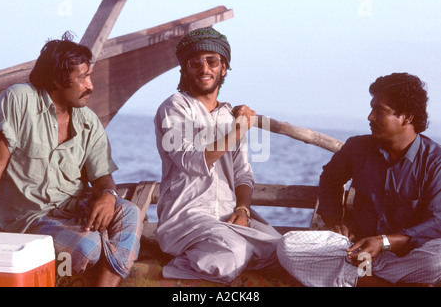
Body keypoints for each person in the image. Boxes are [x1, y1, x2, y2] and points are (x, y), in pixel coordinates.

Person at [0, 32, 143, 287]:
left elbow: (102, 175)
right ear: (57, 79)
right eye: (83, 77)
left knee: (129, 211)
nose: (90, 85)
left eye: (90, 76)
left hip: (72, 212)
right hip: (26, 220)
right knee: (88, 247)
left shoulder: (88, 121)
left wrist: (107, 194)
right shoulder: (18, 99)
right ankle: (110, 254)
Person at [278, 72, 441, 287]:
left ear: (407, 117)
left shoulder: (434, 160)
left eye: (379, 111)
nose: (370, 117)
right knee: (287, 246)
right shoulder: (358, 147)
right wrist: (334, 220)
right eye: (372, 109)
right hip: (357, 252)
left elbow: (436, 221)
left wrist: (384, 243)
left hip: (407, 254)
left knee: (435, 260)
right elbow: (330, 179)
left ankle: (361, 281)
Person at [154, 27, 281, 283]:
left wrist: (243, 209)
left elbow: (243, 173)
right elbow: (191, 160)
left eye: (212, 61)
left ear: (224, 68)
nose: (204, 68)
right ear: (185, 70)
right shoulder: (175, 107)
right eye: (195, 62)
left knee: (280, 250)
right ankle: (177, 267)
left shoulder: (229, 116)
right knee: (232, 253)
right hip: (186, 219)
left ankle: (212, 255)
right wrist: (239, 128)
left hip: (227, 219)